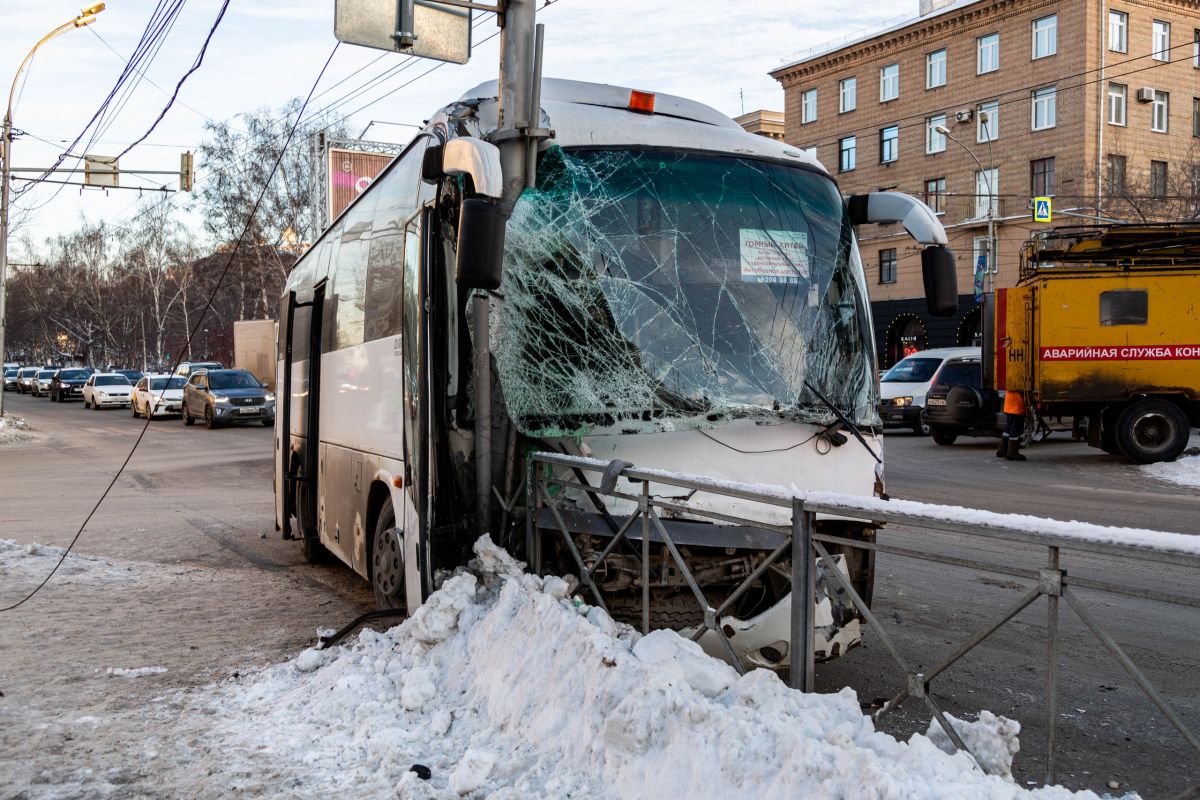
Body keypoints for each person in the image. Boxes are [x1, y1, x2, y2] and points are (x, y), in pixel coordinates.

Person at [996, 389, 1027, 461]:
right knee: (1016, 429)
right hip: (1017, 405)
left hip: (1009, 404)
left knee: (1008, 428)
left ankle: (1002, 451)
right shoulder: (1019, 379)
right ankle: (1012, 453)